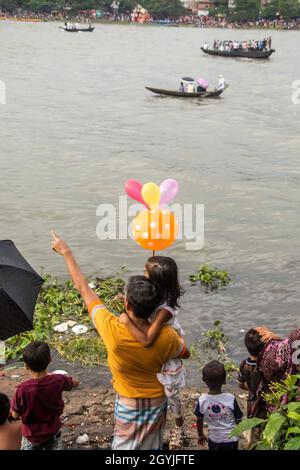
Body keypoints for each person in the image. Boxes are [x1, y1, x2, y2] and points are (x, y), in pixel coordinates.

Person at [51, 231, 190, 450]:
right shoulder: (168, 336)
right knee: (152, 447)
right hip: (157, 401)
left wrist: (66, 252)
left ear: (126, 305)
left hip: (128, 403)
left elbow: (83, 288)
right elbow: (185, 352)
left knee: (123, 447)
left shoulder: (111, 328)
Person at [119, 256, 186, 449]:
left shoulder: (164, 310)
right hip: (160, 344)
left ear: (156, 280)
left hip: (169, 351)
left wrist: (126, 321)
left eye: (146, 272)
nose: (143, 274)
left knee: (171, 393)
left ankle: (179, 426)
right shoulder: (157, 293)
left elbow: (148, 340)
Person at [11, 341, 79, 450]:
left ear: (26, 366)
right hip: (53, 431)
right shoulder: (58, 380)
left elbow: (15, 415)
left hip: (31, 437)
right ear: (50, 360)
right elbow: (75, 383)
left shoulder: (22, 390)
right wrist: (58, 376)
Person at [246, 326, 300, 417]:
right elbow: (294, 337)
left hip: (281, 403)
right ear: (265, 338)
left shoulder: (262, 366)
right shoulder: (273, 353)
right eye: (265, 331)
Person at [194, 360, 243, 451]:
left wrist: (200, 435)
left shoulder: (202, 401)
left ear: (203, 380)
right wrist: (240, 431)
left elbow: (199, 420)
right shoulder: (230, 398)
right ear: (224, 380)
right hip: (231, 439)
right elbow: (238, 419)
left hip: (214, 439)